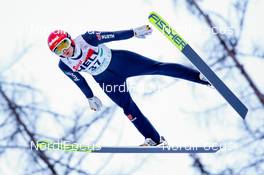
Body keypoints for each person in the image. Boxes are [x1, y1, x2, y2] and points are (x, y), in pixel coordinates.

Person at [47, 25, 211, 146]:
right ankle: (154, 140)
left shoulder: (86, 39)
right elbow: (79, 80)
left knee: (157, 68)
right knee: (127, 107)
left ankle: (201, 77)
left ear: (70, 39)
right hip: (106, 80)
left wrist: (133, 32)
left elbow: (111, 35)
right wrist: (89, 96)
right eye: (58, 50)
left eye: (64, 44)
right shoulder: (64, 65)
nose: (64, 51)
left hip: (122, 62)